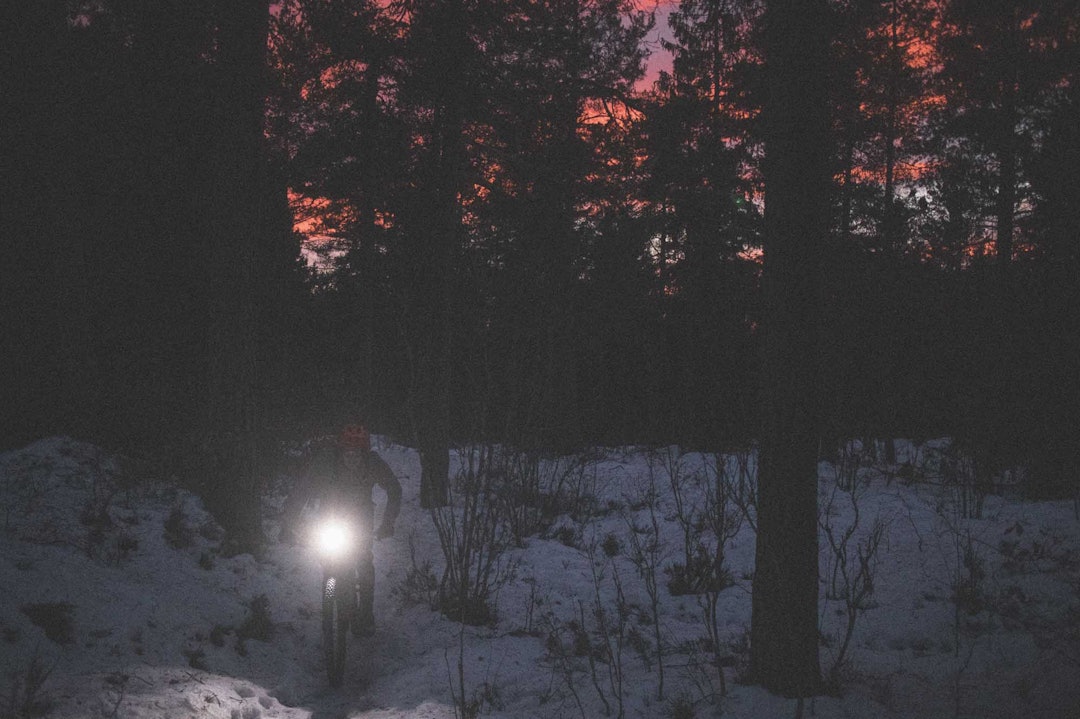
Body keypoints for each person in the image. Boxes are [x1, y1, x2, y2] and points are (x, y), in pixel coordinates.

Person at [280, 422, 402, 637]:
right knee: (329, 565)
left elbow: (394, 488)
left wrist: (387, 523)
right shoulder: (326, 462)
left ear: (364, 453)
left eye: (357, 454)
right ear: (340, 451)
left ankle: (365, 614)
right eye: (348, 453)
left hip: (360, 522)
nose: (352, 459)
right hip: (330, 518)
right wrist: (288, 524)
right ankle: (330, 601)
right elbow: (302, 491)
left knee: (364, 562)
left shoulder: (373, 463)